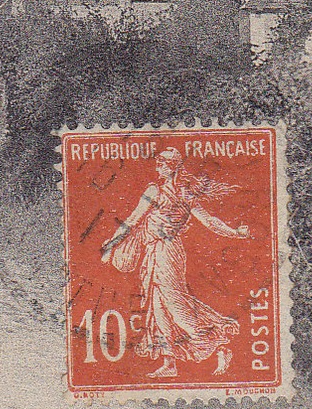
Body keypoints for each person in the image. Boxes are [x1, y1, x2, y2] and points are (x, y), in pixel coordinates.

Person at [100, 148, 249, 377]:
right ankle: (170, 364)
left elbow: (207, 221)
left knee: (175, 305)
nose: (157, 167)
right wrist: (112, 242)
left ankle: (218, 345)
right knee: (158, 307)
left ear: (171, 167)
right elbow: (134, 219)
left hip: (166, 251)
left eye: (161, 163)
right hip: (157, 251)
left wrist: (235, 233)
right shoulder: (170, 192)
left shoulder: (171, 192)